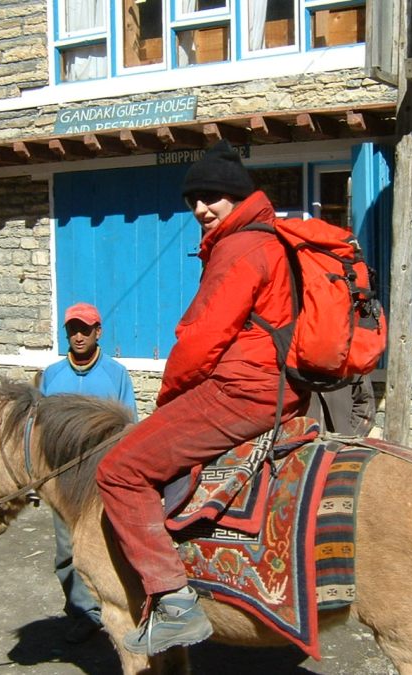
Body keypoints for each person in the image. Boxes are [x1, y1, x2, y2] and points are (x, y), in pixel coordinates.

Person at [95, 140, 309, 655]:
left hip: (241, 389)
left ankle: (174, 602)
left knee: (118, 470)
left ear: (238, 196)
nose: (200, 208)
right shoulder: (266, 238)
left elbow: (201, 340)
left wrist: (168, 400)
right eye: (194, 199)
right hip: (275, 387)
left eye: (212, 196)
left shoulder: (240, 248)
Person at [40, 302, 137, 643]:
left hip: (102, 478)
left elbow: (129, 426)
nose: (78, 336)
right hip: (62, 480)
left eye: (85, 329)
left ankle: (121, 605)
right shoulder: (52, 375)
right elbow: (37, 431)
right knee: (67, 550)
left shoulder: (115, 374)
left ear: (99, 332)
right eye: (73, 329)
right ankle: (83, 612)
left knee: (109, 544)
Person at [307, 377, 376, 436]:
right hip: (303, 440)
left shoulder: (353, 363)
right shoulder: (298, 364)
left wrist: (352, 435)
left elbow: (365, 401)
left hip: (341, 442)